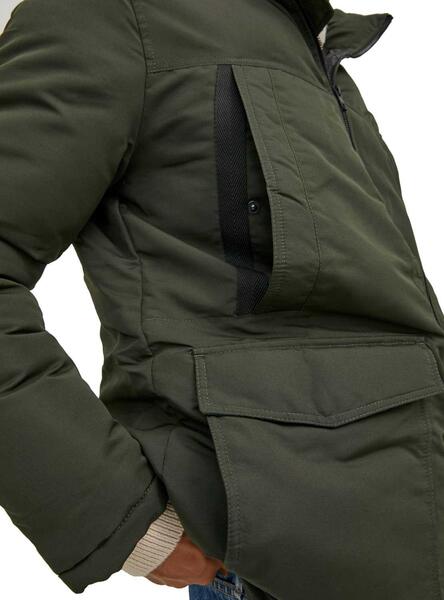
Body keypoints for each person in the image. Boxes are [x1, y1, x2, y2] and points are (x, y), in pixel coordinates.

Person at [1, 1, 444, 599]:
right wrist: (122, 519)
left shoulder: (304, 38)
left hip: (408, 535)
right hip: (277, 563)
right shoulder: (111, 15)